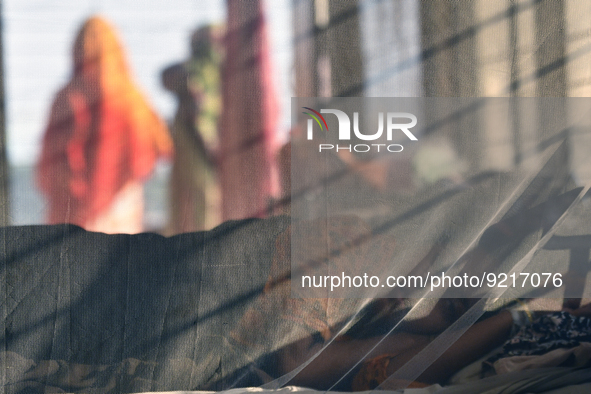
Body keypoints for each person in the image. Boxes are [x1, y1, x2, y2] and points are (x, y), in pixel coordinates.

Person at [36, 16, 173, 234]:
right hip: (123, 208)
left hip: (75, 215)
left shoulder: (67, 96)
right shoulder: (133, 97)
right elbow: (159, 146)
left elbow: (53, 164)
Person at [162, 24, 224, 234]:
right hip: (197, 146)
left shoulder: (213, 73)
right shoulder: (197, 72)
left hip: (192, 147)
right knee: (202, 202)